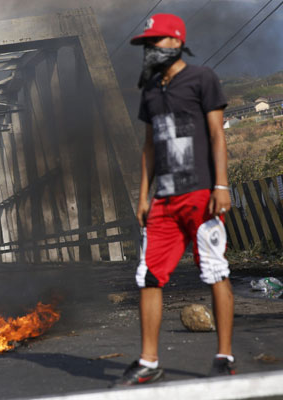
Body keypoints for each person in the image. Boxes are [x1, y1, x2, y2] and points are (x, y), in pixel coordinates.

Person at [114, 13, 234, 386]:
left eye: (156, 41)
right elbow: (149, 148)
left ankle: (224, 357)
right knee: (148, 275)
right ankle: (149, 361)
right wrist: (143, 196)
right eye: (147, 43)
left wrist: (222, 186)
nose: (150, 48)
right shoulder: (150, 90)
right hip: (163, 199)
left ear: (177, 42)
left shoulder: (202, 78)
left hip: (200, 192)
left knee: (214, 270)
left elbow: (216, 135)